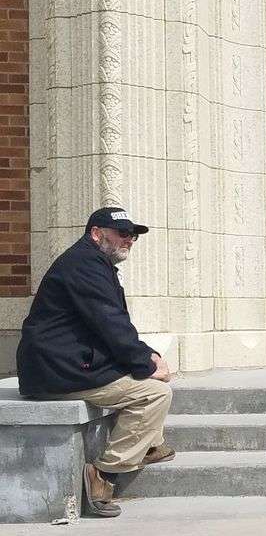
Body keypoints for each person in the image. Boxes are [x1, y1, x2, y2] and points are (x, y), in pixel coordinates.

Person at [17, 207, 175, 518]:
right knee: (154, 393)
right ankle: (105, 474)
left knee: (150, 376)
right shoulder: (86, 266)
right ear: (96, 233)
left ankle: (149, 444)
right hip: (57, 371)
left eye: (132, 236)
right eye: (122, 233)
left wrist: (147, 355)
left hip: (68, 362)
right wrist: (146, 362)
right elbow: (109, 324)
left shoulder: (90, 262)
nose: (129, 240)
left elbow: (110, 325)